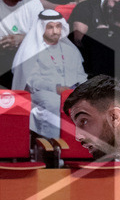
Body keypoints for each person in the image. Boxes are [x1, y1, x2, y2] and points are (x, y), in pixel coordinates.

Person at [11, 7, 86, 137]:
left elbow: (81, 75)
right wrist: (56, 88)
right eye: (50, 27)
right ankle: (51, 142)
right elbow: (33, 81)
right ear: (41, 28)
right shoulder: (31, 52)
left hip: (71, 91)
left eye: (58, 26)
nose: (55, 31)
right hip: (42, 93)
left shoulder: (71, 50)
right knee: (53, 102)